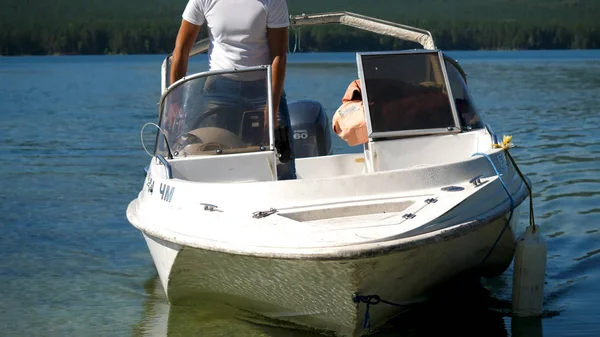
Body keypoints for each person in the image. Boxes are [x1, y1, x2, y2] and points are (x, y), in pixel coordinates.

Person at [169, 0, 296, 180]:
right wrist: (174, 101)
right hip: (220, 88)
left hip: (263, 88)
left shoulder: (273, 1)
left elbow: (279, 56)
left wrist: (271, 108)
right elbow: (181, 51)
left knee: (282, 159)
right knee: (208, 154)